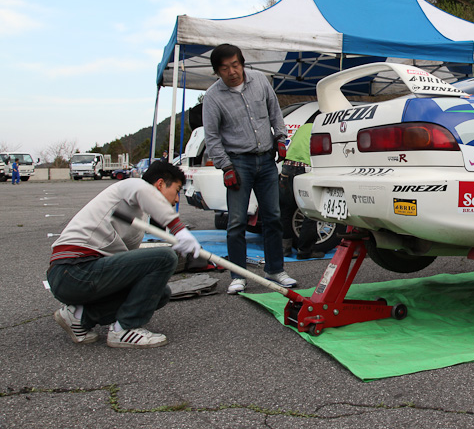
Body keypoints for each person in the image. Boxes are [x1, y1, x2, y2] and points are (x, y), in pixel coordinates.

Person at [47, 160, 202, 348]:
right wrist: (178, 229)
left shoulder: (139, 217)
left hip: (85, 275)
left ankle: (79, 317)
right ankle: (124, 329)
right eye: (177, 190)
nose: (177, 199)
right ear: (160, 184)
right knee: (165, 257)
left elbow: (132, 270)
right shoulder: (133, 185)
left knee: (160, 293)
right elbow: (144, 192)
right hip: (72, 271)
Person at [202, 43, 296, 294]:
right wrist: (225, 167)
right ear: (217, 72)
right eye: (224, 68)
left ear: (242, 63)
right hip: (238, 163)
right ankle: (238, 275)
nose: (232, 71)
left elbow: (275, 112)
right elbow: (211, 138)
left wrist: (280, 138)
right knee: (235, 222)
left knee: (273, 217)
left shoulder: (260, 81)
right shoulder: (212, 97)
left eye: (235, 65)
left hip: (266, 160)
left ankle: (275, 270)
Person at [281, 123, 324, 259]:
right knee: (310, 211)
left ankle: (284, 248)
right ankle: (305, 250)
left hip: (287, 167)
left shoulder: (304, 127)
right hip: (306, 168)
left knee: (286, 210)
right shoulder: (325, 127)